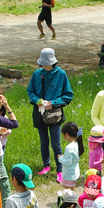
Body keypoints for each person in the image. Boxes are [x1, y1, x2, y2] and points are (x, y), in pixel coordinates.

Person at [27, 47, 74, 175]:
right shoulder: (37, 74)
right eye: (44, 63)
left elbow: (68, 94)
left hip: (55, 114)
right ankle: (46, 166)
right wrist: (38, 100)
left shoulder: (61, 74)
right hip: (39, 113)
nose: (46, 65)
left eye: (48, 63)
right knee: (43, 142)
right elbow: (30, 91)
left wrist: (53, 103)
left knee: (55, 143)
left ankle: (60, 169)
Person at [59, 121, 82, 187]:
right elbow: (73, 157)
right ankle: (74, 196)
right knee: (72, 187)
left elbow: (68, 162)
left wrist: (60, 158)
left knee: (67, 192)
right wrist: (65, 156)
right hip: (75, 172)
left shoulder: (69, 147)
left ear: (67, 135)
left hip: (69, 174)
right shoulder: (78, 143)